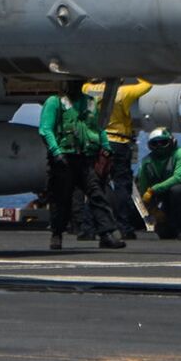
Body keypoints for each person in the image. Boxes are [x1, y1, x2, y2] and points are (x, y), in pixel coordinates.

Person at [39, 80, 124, 250]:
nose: (75, 86)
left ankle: (107, 233)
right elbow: (45, 129)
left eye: (78, 83)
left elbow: (98, 127)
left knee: (97, 194)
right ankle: (57, 233)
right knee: (60, 198)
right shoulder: (55, 102)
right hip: (64, 158)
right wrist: (56, 152)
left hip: (86, 157)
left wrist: (106, 147)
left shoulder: (89, 102)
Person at [81, 79, 153, 239]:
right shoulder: (123, 92)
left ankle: (88, 228)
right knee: (122, 186)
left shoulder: (88, 89)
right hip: (118, 142)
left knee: (95, 186)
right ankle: (123, 227)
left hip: (97, 143)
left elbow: (84, 83)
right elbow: (147, 85)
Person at [137, 128, 181, 240]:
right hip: (165, 195)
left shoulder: (180, 154)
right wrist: (153, 210)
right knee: (164, 233)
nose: (159, 146)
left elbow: (179, 178)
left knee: (176, 191)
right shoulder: (147, 162)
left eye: (163, 143)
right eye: (155, 144)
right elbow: (144, 191)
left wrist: (154, 189)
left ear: (171, 142)